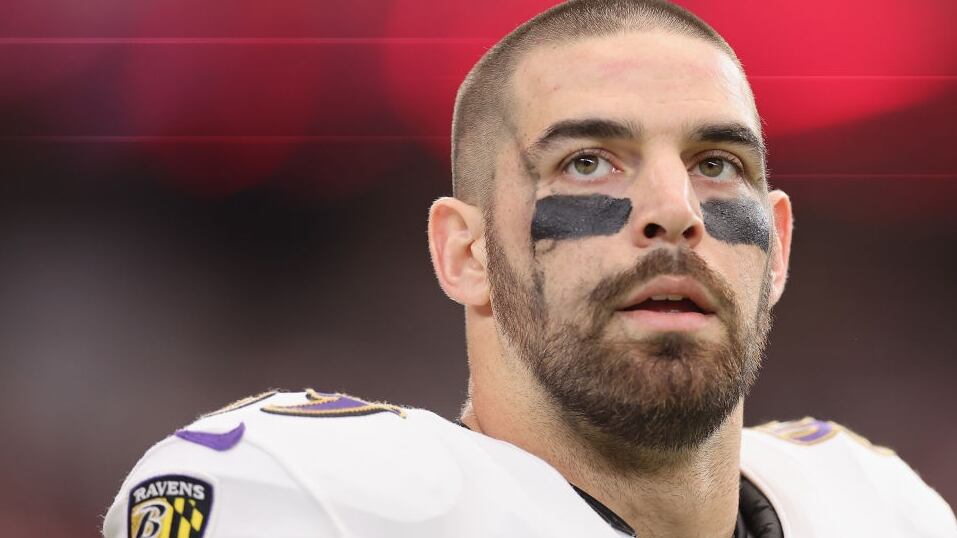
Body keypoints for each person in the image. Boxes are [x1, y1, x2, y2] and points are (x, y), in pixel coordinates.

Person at [103, 1, 957, 537]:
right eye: (588, 162)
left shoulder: (877, 510)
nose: (674, 210)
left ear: (775, 250)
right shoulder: (317, 499)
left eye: (716, 162)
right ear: (463, 254)